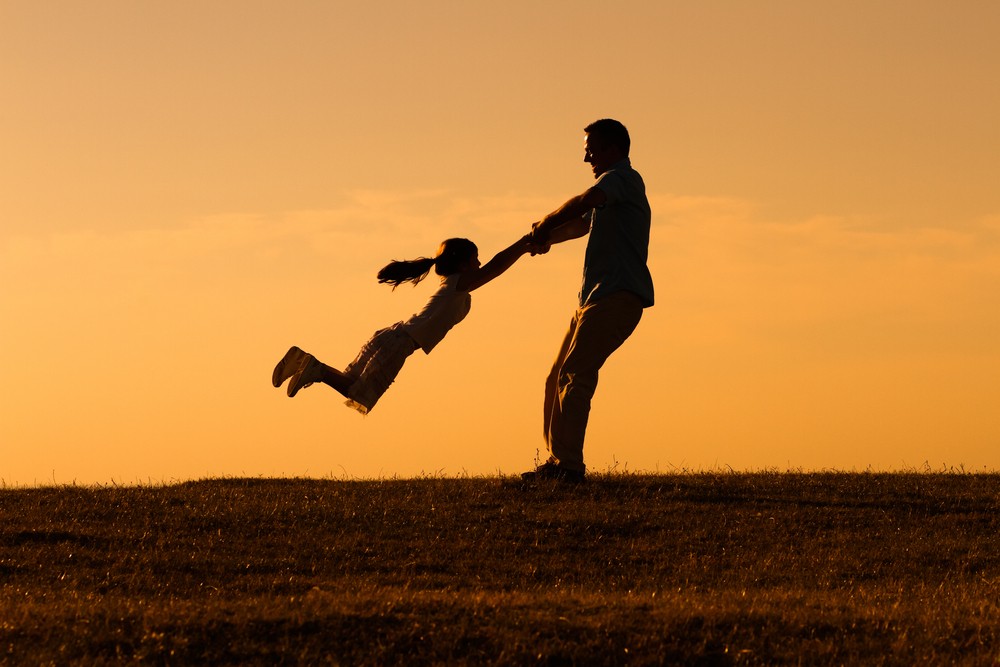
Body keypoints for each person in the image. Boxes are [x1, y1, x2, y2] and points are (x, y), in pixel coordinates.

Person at [522, 119, 654, 483]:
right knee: (557, 377)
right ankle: (557, 463)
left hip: (616, 297)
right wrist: (548, 239)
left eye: (591, 150)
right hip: (591, 299)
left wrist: (545, 222)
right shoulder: (611, 190)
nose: (586, 158)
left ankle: (568, 468)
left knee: (575, 375)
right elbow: (583, 223)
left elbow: (585, 201)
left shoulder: (622, 179)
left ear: (613, 149)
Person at [272, 235, 536, 414]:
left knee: (351, 382)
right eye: (475, 259)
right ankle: (314, 368)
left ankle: (304, 363)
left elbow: (491, 267)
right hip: (398, 343)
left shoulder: (453, 285)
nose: (479, 263)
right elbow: (497, 266)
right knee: (359, 393)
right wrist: (524, 245)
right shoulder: (459, 283)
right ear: (461, 264)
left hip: (391, 336)